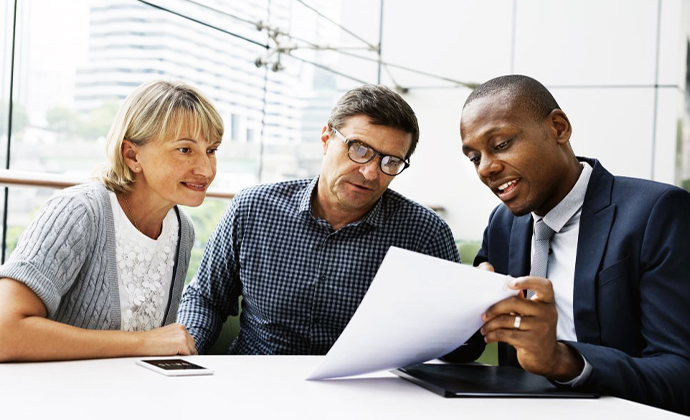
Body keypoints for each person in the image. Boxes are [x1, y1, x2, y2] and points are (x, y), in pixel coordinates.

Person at [450, 74, 690, 414]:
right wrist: (455, 312)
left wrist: (564, 361)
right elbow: (466, 348)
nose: (486, 168)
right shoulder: (503, 224)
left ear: (559, 128)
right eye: (474, 157)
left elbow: (681, 373)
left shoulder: (657, 213)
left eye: (501, 144)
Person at [177, 84, 472, 357]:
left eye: (390, 161)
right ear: (326, 139)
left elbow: (454, 342)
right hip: (256, 385)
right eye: (359, 149)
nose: (370, 172)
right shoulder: (253, 208)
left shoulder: (425, 233)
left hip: (366, 397)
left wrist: (474, 317)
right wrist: (184, 351)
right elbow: (206, 298)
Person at [0, 80, 224, 362]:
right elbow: (4, 333)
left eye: (212, 150)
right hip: (53, 398)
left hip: (126, 396)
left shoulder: (181, 229)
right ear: (132, 155)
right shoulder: (79, 212)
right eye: (184, 150)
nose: (205, 168)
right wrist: (142, 343)